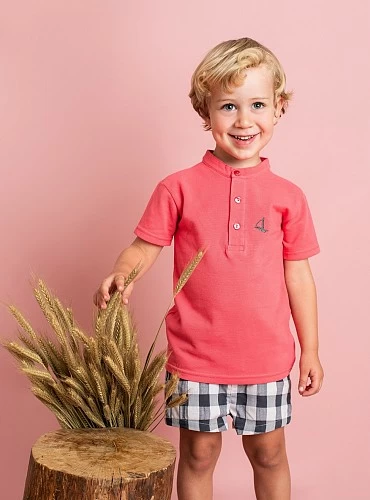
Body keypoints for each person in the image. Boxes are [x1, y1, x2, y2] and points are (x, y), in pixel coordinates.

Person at [94, 37, 324, 500]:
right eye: (227, 107)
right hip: (195, 359)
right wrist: (124, 272)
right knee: (198, 456)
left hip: (266, 360)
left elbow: (299, 276)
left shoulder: (289, 197)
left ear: (279, 108)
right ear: (206, 114)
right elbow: (143, 248)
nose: (243, 120)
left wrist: (311, 351)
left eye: (257, 104)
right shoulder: (177, 188)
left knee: (270, 455)